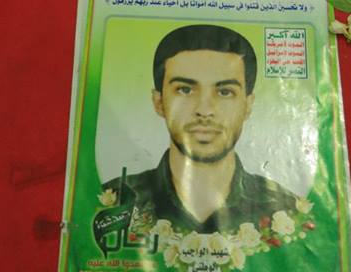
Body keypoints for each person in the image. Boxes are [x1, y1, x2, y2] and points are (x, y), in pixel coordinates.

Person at [103, 25, 298, 233]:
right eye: (185, 90)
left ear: (248, 106)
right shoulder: (111, 202)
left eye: (225, 92)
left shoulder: (287, 211)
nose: (204, 111)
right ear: (158, 102)